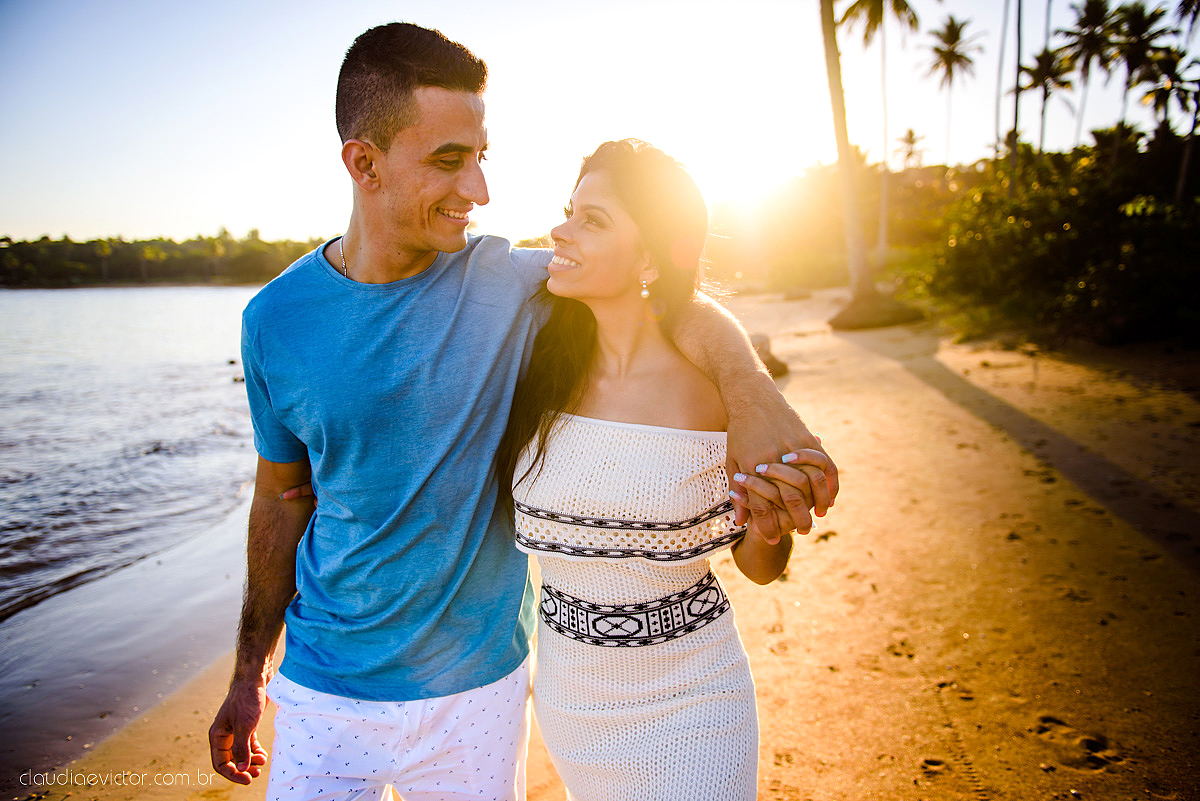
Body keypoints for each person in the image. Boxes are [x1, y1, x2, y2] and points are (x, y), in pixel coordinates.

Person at [208, 22, 837, 801]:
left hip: (484, 687)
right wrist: (247, 670)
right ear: (362, 163)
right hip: (327, 685)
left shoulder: (514, 283)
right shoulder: (275, 321)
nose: (479, 191)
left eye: (481, 157)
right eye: (448, 161)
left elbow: (665, 297)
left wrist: (753, 393)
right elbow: (280, 494)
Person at [498, 139, 806, 800]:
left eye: (594, 220)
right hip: (571, 697)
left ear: (647, 256)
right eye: (568, 211)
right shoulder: (532, 366)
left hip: (696, 696)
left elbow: (759, 565)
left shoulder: (713, 392)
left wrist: (771, 527)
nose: (562, 229)